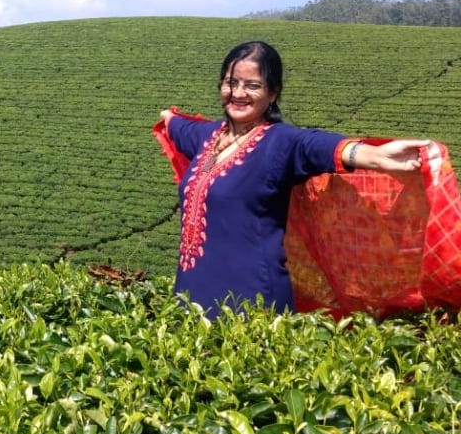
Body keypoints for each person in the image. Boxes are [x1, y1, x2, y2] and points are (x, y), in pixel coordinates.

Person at [157, 40, 428, 316]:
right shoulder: (206, 138)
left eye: (252, 85)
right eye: (231, 82)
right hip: (191, 291)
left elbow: (317, 146)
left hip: (250, 297)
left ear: (273, 93)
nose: (238, 93)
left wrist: (376, 156)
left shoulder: (280, 142)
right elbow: (177, 124)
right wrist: (168, 116)